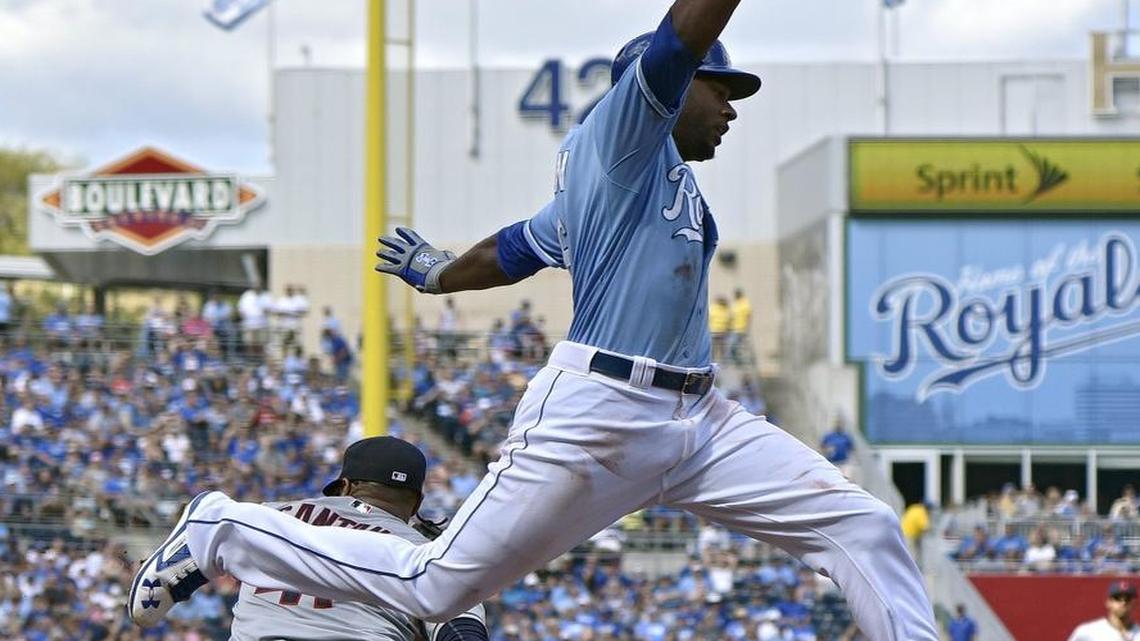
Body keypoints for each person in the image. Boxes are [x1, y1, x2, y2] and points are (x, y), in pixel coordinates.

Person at [129, 4, 939, 640]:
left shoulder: (637, 185)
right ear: (666, 87)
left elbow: (515, 248)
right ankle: (223, 527)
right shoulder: (622, 138)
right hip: (603, 413)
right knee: (438, 585)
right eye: (718, 85)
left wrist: (439, 272)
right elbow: (679, 37)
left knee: (864, 525)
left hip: (702, 421)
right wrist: (683, 52)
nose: (730, 104)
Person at [223, 436, 489, 641]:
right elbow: (463, 630)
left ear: (345, 486)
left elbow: (204, 537)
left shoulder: (270, 514)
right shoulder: (423, 550)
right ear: (416, 503)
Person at [1066, 581, 1140, 641]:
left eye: (1128, 599)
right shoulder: (1087, 631)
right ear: (1108, 602)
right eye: (1117, 598)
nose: (1123, 603)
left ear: (1135, 603)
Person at [727, 287, 751, 364]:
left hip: (740, 329)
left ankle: (736, 362)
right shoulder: (736, 303)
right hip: (734, 328)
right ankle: (737, 361)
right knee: (733, 346)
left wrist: (746, 327)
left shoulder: (745, 303)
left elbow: (748, 316)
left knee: (731, 345)